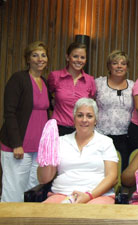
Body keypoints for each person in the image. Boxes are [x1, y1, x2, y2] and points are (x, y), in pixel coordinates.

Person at [37, 98, 118, 204]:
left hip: (97, 196)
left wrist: (89, 196)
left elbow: (112, 177)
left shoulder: (106, 142)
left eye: (89, 116)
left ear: (95, 120)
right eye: (80, 115)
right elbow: (44, 179)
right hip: (62, 194)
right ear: (74, 119)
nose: (84, 120)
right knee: (43, 214)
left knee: (89, 216)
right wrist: (47, 150)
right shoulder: (60, 142)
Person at [0, 41, 50, 202]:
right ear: (28, 59)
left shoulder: (44, 82)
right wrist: (16, 144)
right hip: (18, 147)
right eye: (35, 55)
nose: (40, 59)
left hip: (38, 149)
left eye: (43, 55)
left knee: (32, 192)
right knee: (13, 192)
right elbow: (9, 113)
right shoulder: (18, 79)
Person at [95, 50, 134, 170]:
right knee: (100, 170)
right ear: (109, 66)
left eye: (123, 63)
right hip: (101, 136)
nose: (119, 66)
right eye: (115, 63)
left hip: (124, 137)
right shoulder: (98, 83)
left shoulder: (133, 86)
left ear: (127, 67)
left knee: (121, 170)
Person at [48, 42, 96, 136]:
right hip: (58, 129)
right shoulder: (55, 76)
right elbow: (46, 97)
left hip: (81, 130)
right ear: (67, 57)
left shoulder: (90, 80)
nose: (79, 60)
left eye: (82, 57)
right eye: (75, 56)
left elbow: (91, 105)